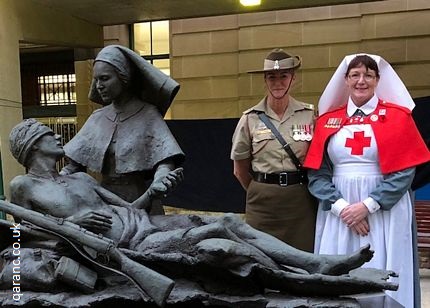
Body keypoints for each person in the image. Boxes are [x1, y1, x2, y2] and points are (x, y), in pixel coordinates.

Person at [3, 118, 396, 300]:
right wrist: (70, 222)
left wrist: (155, 188)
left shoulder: (81, 179)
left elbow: (130, 209)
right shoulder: (23, 186)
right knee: (220, 245)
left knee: (225, 220)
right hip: (124, 251)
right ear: (32, 145)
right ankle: (303, 279)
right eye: (48, 133)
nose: (59, 137)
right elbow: (21, 236)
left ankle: (313, 264)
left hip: (144, 227)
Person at [304, 53, 430, 308]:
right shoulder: (328, 120)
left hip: (385, 212)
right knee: (338, 269)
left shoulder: (398, 117)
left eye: (368, 75)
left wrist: (367, 206)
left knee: (385, 266)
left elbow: (404, 172)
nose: (361, 81)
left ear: (377, 80)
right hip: (339, 213)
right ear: (346, 80)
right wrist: (342, 208)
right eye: (355, 75)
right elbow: (317, 174)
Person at [61, 45, 185, 215]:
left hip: (143, 202)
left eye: (104, 79)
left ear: (123, 78)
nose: (99, 86)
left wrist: (161, 178)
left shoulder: (148, 114)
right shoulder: (97, 118)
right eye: (96, 80)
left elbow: (165, 159)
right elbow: (74, 166)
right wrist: (53, 179)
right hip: (103, 203)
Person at [230, 48, 317, 252]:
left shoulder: (309, 115)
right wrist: (262, 189)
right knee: (261, 258)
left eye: (283, 76)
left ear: (293, 79)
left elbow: (317, 159)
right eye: (271, 77)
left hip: (299, 201)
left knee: (302, 256)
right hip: (262, 203)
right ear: (265, 80)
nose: (277, 83)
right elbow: (239, 169)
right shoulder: (250, 118)